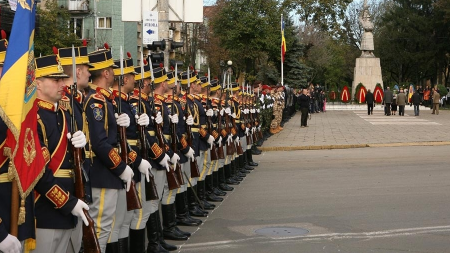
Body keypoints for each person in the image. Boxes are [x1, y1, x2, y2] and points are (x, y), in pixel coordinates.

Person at [32, 55, 90, 253]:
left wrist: (81, 146)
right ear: (38, 84)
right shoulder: (33, 118)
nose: (62, 84)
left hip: (71, 201)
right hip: (45, 207)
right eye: (55, 80)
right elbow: (38, 172)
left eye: (62, 79)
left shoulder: (65, 114)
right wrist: (67, 202)